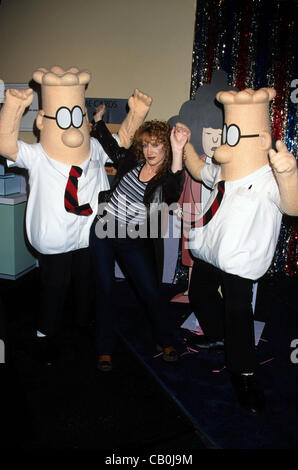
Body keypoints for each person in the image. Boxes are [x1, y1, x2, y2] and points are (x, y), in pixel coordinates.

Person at [0, 66, 152, 365]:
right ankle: (46, 333)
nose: (72, 129)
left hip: (89, 231)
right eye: (64, 119)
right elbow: (6, 146)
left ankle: (83, 324)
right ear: (43, 122)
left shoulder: (94, 147)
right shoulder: (38, 155)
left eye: (77, 117)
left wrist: (136, 114)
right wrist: (13, 108)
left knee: (87, 280)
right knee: (55, 285)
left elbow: (120, 142)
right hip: (54, 234)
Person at [180, 87, 298, 415]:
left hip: (240, 258)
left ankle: (245, 374)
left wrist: (289, 174)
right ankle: (218, 336)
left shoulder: (269, 179)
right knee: (200, 293)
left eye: (232, 134)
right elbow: (198, 170)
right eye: (226, 134)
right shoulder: (224, 171)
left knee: (238, 311)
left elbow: (293, 205)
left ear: (258, 139)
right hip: (210, 249)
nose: (224, 143)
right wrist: (185, 145)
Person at [90, 110, 190, 371]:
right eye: (145, 144)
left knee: (150, 291)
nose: (149, 150)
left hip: (130, 237)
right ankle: (104, 349)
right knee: (106, 291)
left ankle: (163, 339)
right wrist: (99, 122)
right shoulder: (131, 163)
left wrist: (178, 150)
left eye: (155, 144)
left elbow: (172, 192)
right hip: (102, 230)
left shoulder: (164, 178)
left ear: (165, 147)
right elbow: (113, 148)